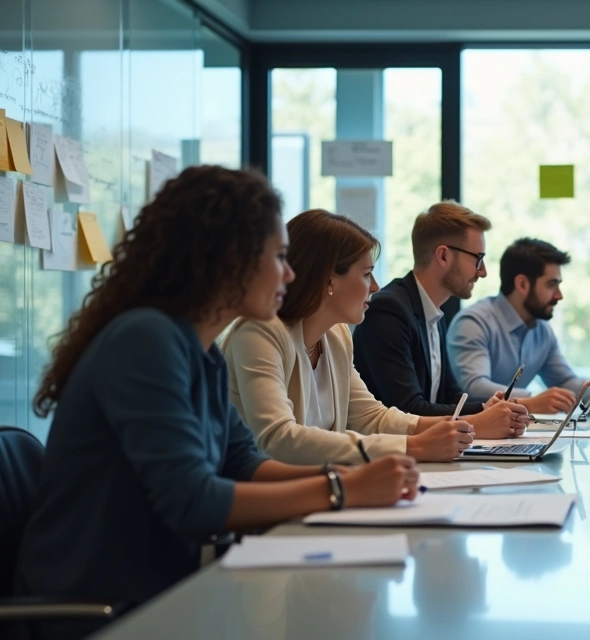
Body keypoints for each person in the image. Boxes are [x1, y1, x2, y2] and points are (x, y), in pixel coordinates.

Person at [15, 167, 418, 621]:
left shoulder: (197, 350)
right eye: (280, 258)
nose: (289, 275)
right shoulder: (145, 341)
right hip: (104, 608)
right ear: (231, 260)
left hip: (170, 591)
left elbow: (245, 463)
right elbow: (193, 501)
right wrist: (340, 489)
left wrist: (357, 482)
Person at [222, 209, 485, 465]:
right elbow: (278, 439)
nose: (375, 287)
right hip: (270, 499)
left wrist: (458, 427)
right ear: (329, 280)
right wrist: (413, 446)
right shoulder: (260, 332)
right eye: (366, 273)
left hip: (318, 487)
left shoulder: (336, 335)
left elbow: (371, 417)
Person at [352, 201, 528, 437]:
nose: (482, 271)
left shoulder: (433, 311)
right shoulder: (389, 310)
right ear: (443, 256)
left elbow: (449, 395)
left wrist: (488, 408)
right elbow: (408, 409)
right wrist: (481, 419)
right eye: (478, 258)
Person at [447, 238, 586, 413]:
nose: (559, 296)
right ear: (522, 284)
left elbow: (564, 381)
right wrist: (532, 400)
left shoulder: (542, 330)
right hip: (470, 434)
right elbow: (475, 387)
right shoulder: (473, 322)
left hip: (511, 433)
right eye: (552, 285)